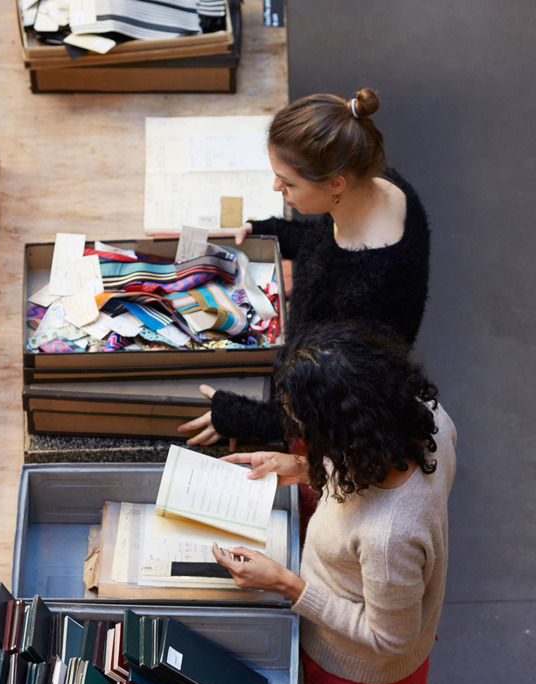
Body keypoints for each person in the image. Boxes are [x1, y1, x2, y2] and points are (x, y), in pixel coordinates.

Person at [212, 322, 457, 684]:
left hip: (360, 681)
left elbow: (387, 636)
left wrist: (289, 585)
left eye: (309, 432)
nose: (301, 438)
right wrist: (299, 469)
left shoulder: (390, 533)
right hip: (356, 667)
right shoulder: (428, 421)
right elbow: (357, 480)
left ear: (344, 428)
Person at [178, 87, 431, 448]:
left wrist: (246, 418)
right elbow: (329, 238)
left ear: (335, 184)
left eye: (288, 182)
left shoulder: (366, 289)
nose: (275, 186)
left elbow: (340, 406)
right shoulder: (381, 186)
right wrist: (276, 231)